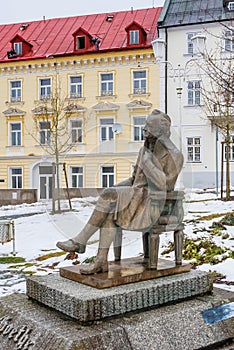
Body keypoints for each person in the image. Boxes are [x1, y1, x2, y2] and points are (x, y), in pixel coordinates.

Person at [56, 109, 184, 274]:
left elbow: (165, 185)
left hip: (155, 202)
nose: (144, 130)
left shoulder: (175, 155)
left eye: (149, 126)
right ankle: (100, 261)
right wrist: (114, 190)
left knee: (110, 203)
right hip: (136, 197)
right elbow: (133, 179)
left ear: (160, 131)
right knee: (109, 212)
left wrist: (149, 165)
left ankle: (81, 241)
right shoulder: (144, 151)